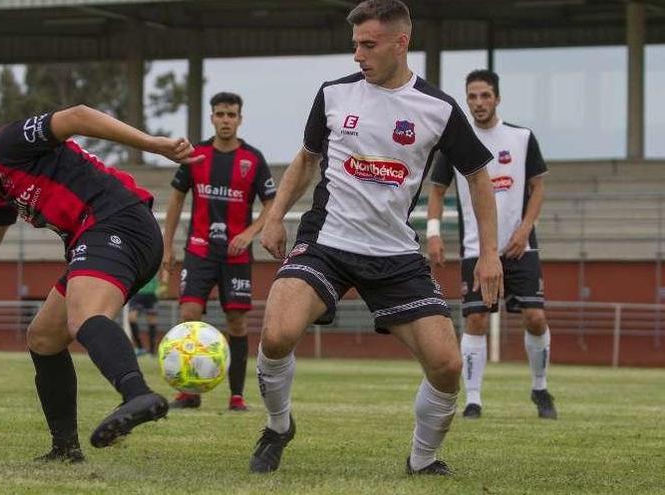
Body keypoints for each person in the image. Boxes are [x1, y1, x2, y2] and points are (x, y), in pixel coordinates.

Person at [248, 0, 503, 476]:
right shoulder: (333, 95)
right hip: (327, 242)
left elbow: (478, 176)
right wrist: (275, 215)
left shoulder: (439, 109)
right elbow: (305, 161)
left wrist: (489, 252)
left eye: (368, 45)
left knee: (447, 366)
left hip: (394, 254)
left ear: (401, 43)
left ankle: (422, 459)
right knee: (278, 332)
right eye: (355, 45)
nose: (358, 55)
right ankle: (278, 426)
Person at [0, 104, 199, 463]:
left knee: (82, 317)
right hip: (99, 236)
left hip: (115, 221)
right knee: (44, 337)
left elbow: (77, 116)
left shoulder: (5, 146)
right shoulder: (2, 189)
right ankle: (65, 448)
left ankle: (137, 394)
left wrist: (152, 144)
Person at [427, 69, 556, 420]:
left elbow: (538, 187)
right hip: (475, 248)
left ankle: (540, 388)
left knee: (535, 316)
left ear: (497, 98)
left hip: (520, 247)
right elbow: (436, 190)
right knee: (477, 320)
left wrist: (525, 228)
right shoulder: (456, 143)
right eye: (472, 96)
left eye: (485, 96)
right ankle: (473, 399)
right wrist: (434, 232)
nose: (479, 103)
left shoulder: (522, 138)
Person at [162, 92, 277, 411]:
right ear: (212, 117)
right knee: (188, 314)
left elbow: (272, 204)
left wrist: (250, 233)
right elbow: (175, 199)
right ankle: (190, 392)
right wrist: (167, 245)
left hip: (236, 255)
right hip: (199, 249)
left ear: (240, 119)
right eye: (220, 114)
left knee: (237, 322)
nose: (226, 120)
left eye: (232, 115)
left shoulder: (253, 159)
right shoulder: (195, 154)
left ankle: (236, 395)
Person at [127, 276, 163, 356]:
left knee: (152, 321)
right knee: (131, 318)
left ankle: (152, 351)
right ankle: (140, 348)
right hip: (137, 293)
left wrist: (164, 285)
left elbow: (164, 269)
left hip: (151, 294)